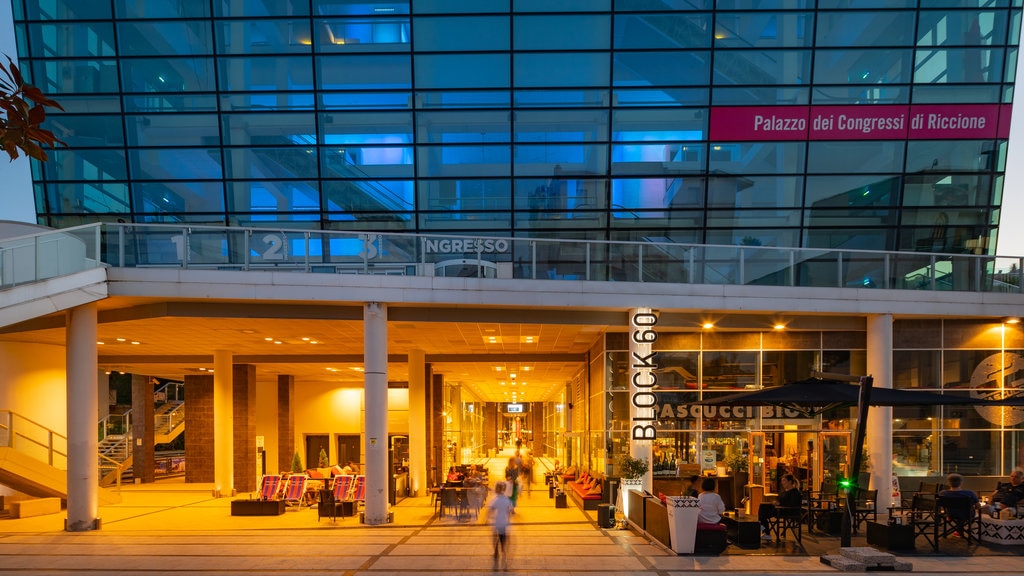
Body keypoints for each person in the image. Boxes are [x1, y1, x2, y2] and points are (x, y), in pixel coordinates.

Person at [758, 473, 802, 541]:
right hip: (779, 509)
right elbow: (779, 500)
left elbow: (793, 504)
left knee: (763, 514)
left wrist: (780, 504)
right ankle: (764, 531)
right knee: (762, 507)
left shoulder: (794, 492)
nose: (782, 483)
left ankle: (765, 532)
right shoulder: (783, 492)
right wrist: (775, 502)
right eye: (782, 481)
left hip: (785, 511)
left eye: (784, 480)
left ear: (790, 482)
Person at [482, 480, 514, 570]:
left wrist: (487, 519)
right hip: (504, 523)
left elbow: (489, 511)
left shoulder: (495, 500)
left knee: (495, 539)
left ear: (497, 489)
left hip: (497, 523)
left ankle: (496, 552)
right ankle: (505, 560)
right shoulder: (507, 500)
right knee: (504, 542)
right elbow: (510, 511)